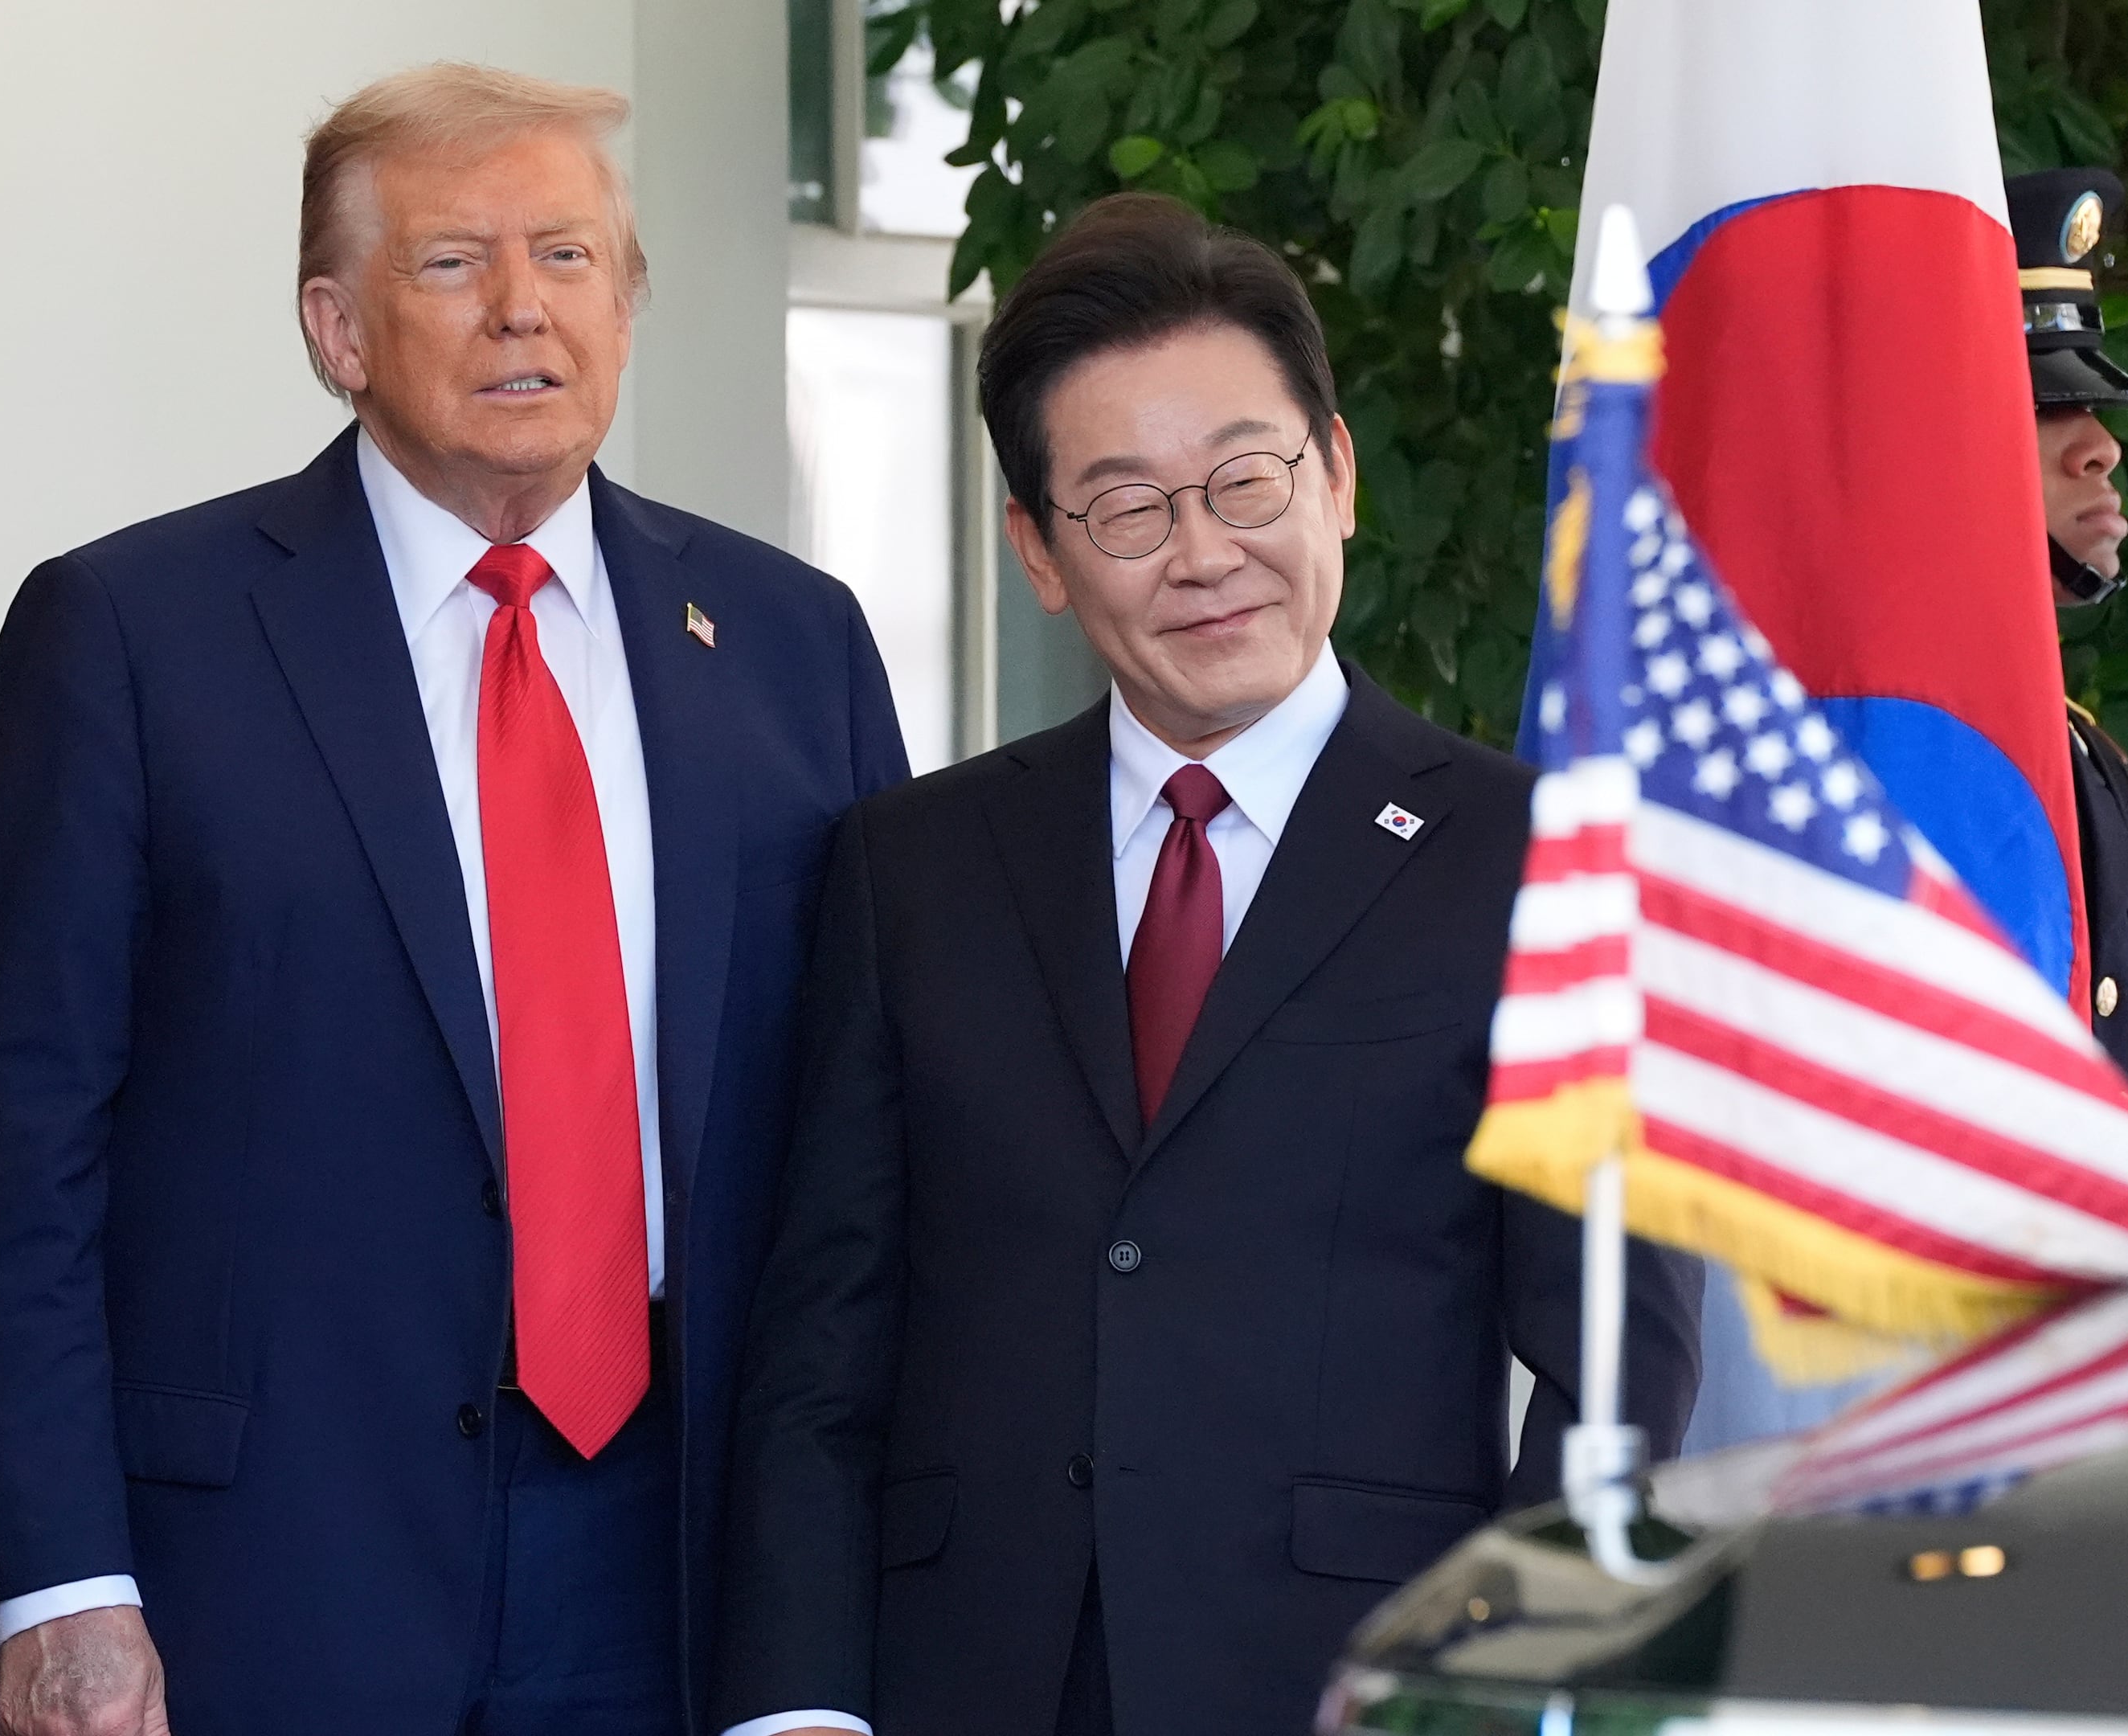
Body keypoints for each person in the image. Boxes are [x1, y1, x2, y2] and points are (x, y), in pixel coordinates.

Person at [0, 62, 906, 1736]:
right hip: (260, 1586)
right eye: (453, 263)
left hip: (676, 1574)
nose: (524, 309)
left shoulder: (793, 648)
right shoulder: (133, 639)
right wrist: (63, 1585)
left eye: (571, 258)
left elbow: (875, 1150)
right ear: (337, 327)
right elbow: (14, 1155)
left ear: (633, 298)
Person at [710, 194, 1701, 1736]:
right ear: (1039, 551)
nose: (1206, 555)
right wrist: (799, 1707)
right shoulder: (914, 867)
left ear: (1340, 477)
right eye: (1127, 509)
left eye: (1247, 480)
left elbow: (1615, 1362)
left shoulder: (1531, 863)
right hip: (962, 1683)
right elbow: (819, 1355)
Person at [2007, 166, 2128, 1099]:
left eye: (2090, 404)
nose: (2098, 446)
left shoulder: (2093, 762)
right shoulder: (1878, 741)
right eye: (2040, 406)